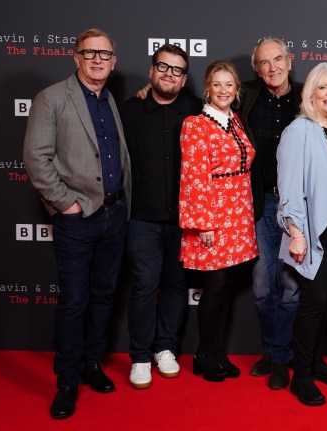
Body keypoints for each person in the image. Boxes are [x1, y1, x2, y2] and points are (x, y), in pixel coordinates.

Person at [23, 28, 131, 419]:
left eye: (105, 54)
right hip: (77, 219)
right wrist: (66, 204)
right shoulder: (52, 97)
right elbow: (37, 159)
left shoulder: (110, 100)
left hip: (114, 215)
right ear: (76, 57)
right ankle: (66, 380)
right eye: (90, 53)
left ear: (113, 61)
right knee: (74, 302)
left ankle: (90, 364)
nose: (98, 60)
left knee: (104, 296)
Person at [277, 62, 327, 406]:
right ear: (310, 93)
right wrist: (296, 233)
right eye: (323, 87)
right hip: (314, 237)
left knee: (324, 303)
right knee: (311, 306)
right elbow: (290, 189)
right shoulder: (300, 130)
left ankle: (314, 361)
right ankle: (303, 376)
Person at [120, 44, 202, 389]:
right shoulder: (127, 111)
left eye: (177, 70)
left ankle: (165, 347)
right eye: (163, 67)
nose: (169, 74)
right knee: (143, 285)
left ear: (184, 80)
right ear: (152, 71)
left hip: (183, 220)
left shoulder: (196, 111)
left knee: (175, 285)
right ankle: (140, 355)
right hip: (141, 217)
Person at [179, 60, 258, 382]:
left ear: (236, 90)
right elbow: (193, 176)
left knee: (225, 289)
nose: (224, 90)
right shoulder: (195, 124)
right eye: (217, 84)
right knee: (215, 287)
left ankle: (217, 352)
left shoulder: (235, 121)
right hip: (212, 216)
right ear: (207, 88)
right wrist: (204, 223)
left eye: (230, 85)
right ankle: (203, 354)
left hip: (239, 215)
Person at [238, 37, 302, 390]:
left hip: (297, 209)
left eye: (278, 59)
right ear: (257, 69)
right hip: (260, 205)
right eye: (264, 62)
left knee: (291, 287)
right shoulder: (244, 95)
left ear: (290, 61)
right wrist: (146, 92)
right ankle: (276, 352)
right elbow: (203, 97)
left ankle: (283, 356)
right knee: (264, 287)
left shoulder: (309, 95)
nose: (272, 67)